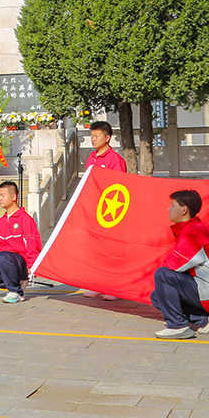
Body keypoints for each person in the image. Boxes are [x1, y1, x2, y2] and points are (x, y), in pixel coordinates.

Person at [151, 190, 209, 339]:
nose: (169, 209)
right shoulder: (190, 228)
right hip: (206, 286)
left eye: (172, 205)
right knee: (157, 296)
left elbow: (176, 264)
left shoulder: (192, 231)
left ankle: (177, 326)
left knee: (162, 275)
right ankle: (204, 320)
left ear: (184, 209)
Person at [78, 120, 126, 300]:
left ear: (107, 138)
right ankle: (96, 284)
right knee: (95, 250)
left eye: (96, 136)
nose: (93, 139)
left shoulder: (115, 160)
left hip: (110, 213)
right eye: (91, 136)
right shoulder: (91, 158)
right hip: (93, 211)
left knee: (111, 251)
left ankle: (114, 288)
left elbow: (120, 188)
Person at [0, 181, 42, 303]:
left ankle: (15, 292)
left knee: (3, 256)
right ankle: (17, 284)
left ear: (14, 197)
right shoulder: (2, 220)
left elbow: (32, 244)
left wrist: (32, 266)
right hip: (5, 260)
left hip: (19, 262)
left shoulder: (25, 219)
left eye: (2, 195)